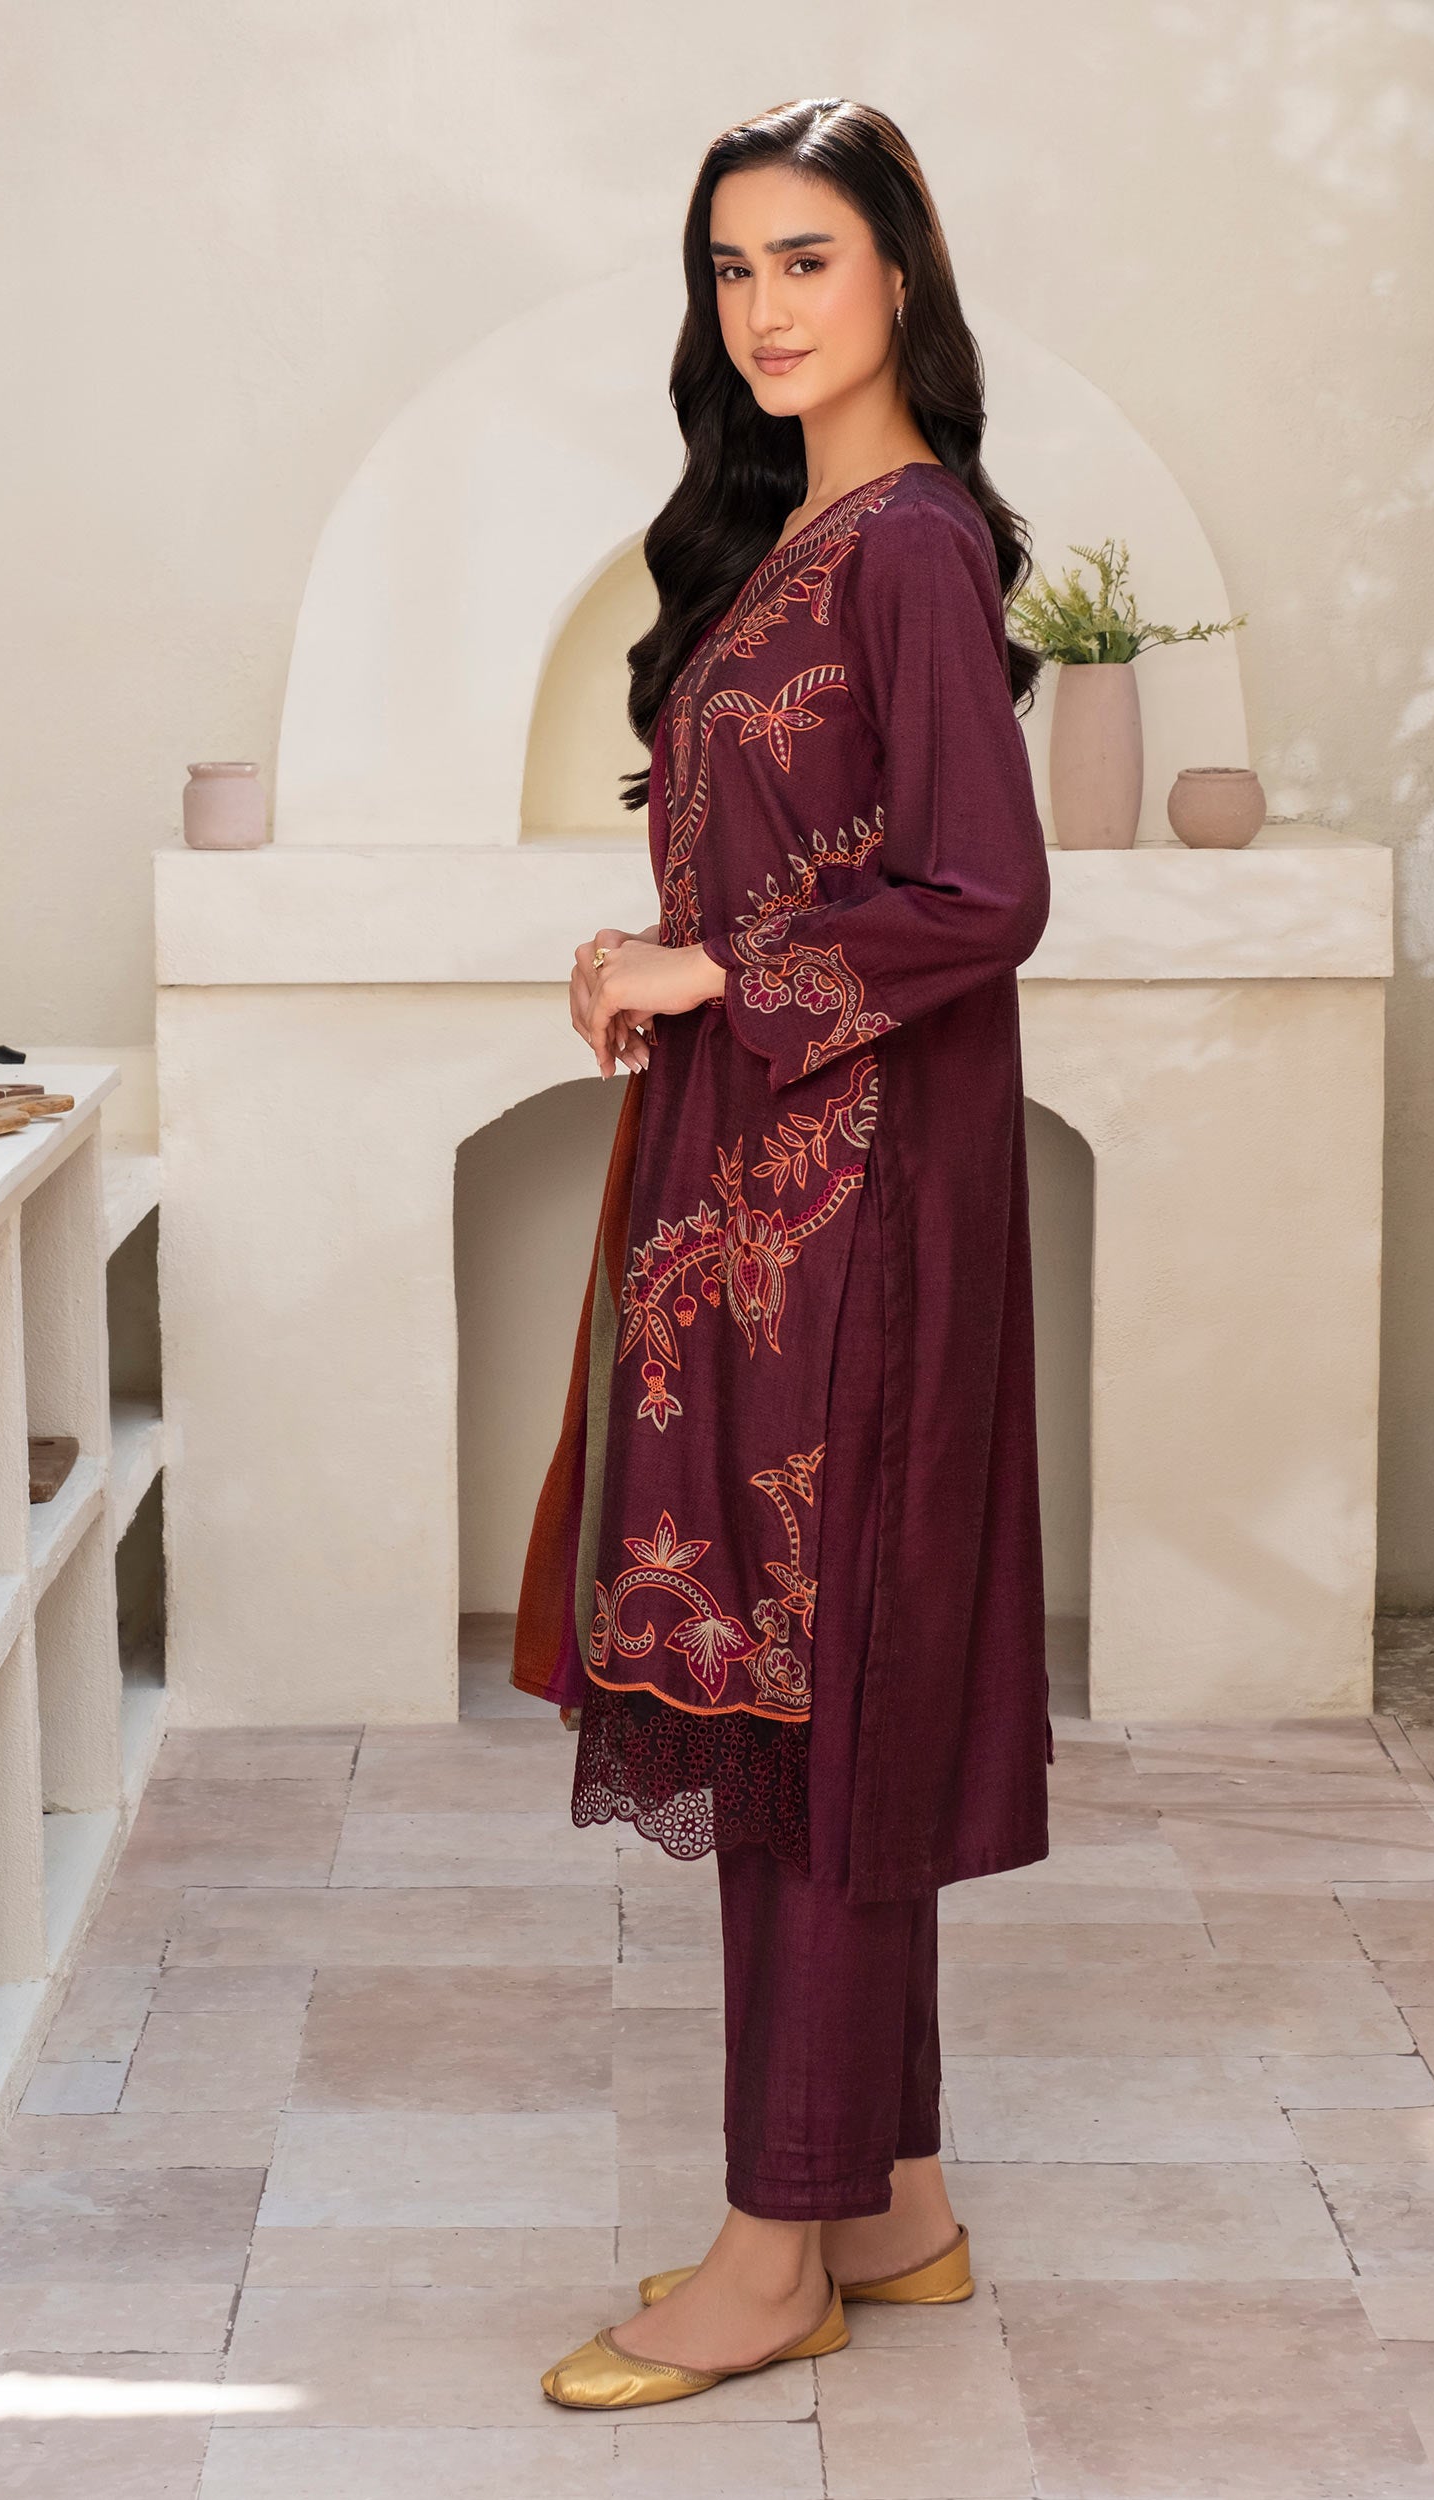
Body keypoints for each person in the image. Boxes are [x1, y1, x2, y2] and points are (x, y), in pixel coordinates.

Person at [513, 94, 1053, 2411]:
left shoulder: (906, 544)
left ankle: (772, 2250)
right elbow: (789, 864)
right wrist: (654, 953)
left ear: (899, 276)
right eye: (728, 267)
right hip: (761, 1196)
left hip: (848, 1220)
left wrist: (717, 974)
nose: (759, 306)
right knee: (813, 1681)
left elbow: (985, 891)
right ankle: (890, 2197)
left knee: (806, 1693)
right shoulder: (794, 539)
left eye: (804, 258)